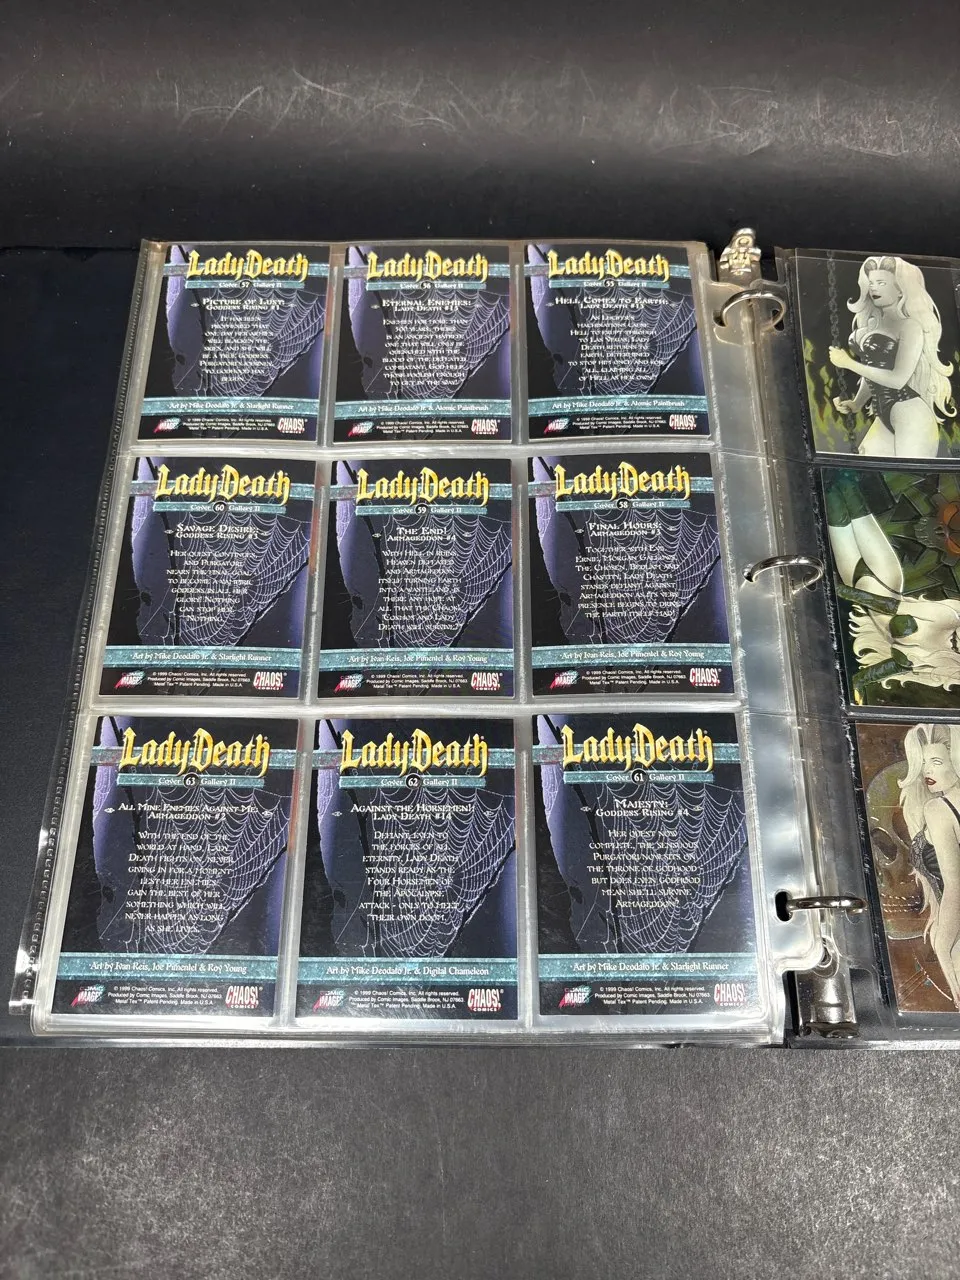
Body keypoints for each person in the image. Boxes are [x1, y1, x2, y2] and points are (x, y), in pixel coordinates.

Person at [825, 470, 960, 702]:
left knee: (833, 506)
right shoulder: (949, 616)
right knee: (850, 497)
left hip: (853, 580)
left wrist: (856, 686)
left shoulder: (928, 658)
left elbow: (884, 669)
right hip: (885, 576)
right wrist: (840, 591)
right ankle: (839, 461)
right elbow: (890, 606)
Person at [828, 255, 954, 457]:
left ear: (900, 289)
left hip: (910, 414)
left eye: (881, 283)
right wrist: (857, 403)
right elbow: (874, 370)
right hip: (884, 412)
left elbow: (897, 379)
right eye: (871, 283)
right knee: (868, 469)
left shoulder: (910, 326)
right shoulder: (872, 323)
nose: (874, 288)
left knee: (910, 472)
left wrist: (849, 363)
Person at [899, 723, 960, 1008]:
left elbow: (954, 885)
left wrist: (942, 946)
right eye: (923, 763)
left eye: (936, 762)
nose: (927, 771)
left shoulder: (938, 809)